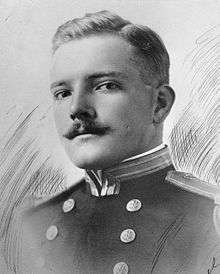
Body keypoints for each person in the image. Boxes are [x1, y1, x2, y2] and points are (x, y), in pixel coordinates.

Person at [4, 11, 220, 274]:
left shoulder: (210, 217)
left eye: (105, 86)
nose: (76, 108)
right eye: (62, 93)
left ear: (159, 104)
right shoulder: (30, 222)